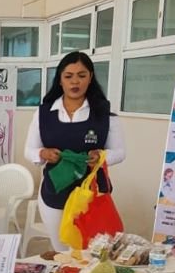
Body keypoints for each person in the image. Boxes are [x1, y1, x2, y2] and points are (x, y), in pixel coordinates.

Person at [24, 51, 126, 250]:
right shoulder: (44, 113)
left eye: (81, 75)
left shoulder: (104, 114)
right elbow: (29, 150)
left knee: (91, 252)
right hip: (55, 194)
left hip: (92, 196)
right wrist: (42, 154)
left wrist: (101, 157)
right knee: (62, 251)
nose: (75, 82)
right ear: (60, 80)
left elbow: (120, 152)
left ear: (91, 78)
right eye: (68, 76)